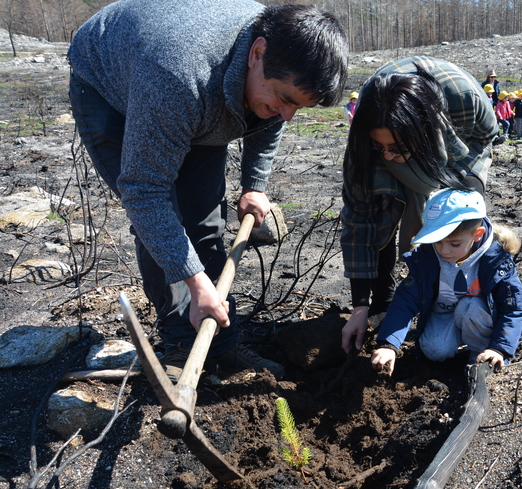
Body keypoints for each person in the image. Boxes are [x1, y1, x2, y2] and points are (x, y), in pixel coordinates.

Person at [68, 0, 349, 377]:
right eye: (285, 100)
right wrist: (197, 282)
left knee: (204, 220)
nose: (288, 115)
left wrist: (254, 185)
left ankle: (220, 346)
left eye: (299, 107)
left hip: (199, 93)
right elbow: (145, 192)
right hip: (110, 84)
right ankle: (183, 348)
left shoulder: (275, 64)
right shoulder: (178, 77)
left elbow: (271, 118)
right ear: (257, 53)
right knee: (163, 221)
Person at [340, 56, 499, 354]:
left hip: (455, 147)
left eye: (395, 147)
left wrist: (453, 183)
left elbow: (486, 136)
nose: (387, 156)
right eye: (380, 146)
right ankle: (387, 301)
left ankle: (465, 295)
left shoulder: (465, 98)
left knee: (460, 216)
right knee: (384, 215)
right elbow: (360, 223)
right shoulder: (367, 140)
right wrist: (359, 306)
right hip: (410, 142)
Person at [370, 189, 522, 376]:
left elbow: (514, 308)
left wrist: (499, 348)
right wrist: (389, 344)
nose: (445, 251)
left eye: (454, 244)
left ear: (478, 234)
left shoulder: (496, 260)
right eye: (438, 242)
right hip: (444, 313)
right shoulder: (427, 258)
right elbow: (405, 301)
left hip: (478, 316)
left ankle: (479, 356)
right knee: (434, 350)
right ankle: (453, 346)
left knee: (470, 307)